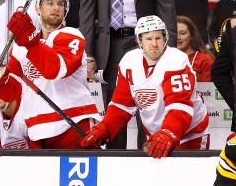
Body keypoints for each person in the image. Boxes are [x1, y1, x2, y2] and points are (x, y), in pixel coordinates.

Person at [0, 0, 100, 149]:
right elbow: (14, 91)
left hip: (73, 122)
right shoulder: (21, 46)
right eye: (49, 3)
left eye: (61, 3)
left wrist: (31, 42)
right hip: (36, 129)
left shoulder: (71, 35)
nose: (56, 7)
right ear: (37, 8)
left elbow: (54, 70)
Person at [80, 16, 210, 157]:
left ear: (165, 38)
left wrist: (168, 132)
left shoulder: (176, 60)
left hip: (191, 134)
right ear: (139, 41)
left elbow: (179, 105)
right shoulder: (129, 61)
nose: (154, 44)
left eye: (158, 38)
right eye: (149, 39)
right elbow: (121, 106)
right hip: (157, 135)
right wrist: (105, 128)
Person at [177, 15, 214, 82]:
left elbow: (210, 90)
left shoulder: (205, 59)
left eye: (183, 33)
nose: (178, 37)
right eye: (174, 33)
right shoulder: (165, 59)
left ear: (192, 35)